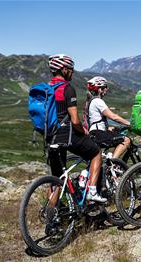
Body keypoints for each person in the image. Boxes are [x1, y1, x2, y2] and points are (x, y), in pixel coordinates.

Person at [47, 54, 106, 202]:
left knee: (57, 180)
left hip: (50, 136)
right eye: (71, 69)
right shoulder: (67, 88)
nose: (72, 72)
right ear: (64, 70)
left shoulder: (47, 88)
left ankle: (50, 216)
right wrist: (84, 132)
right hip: (66, 135)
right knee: (96, 153)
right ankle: (92, 191)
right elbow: (75, 120)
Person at [85, 76, 130, 158]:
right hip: (98, 134)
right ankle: (113, 163)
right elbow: (113, 117)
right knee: (126, 140)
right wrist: (129, 123)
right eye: (105, 87)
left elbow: (97, 120)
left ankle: (110, 163)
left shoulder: (91, 101)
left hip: (95, 133)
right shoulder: (98, 101)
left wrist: (108, 128)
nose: (107, 89)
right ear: (100, 89)